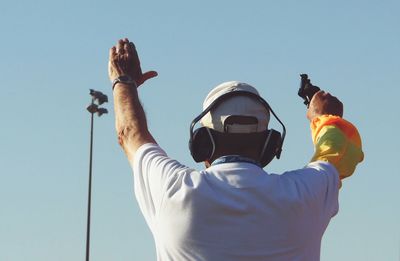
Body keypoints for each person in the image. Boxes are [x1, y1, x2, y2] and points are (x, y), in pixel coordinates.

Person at [109, 38, 364, 261]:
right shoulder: (304, 194)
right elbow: (335, 154)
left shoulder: (172, 190)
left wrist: (123, 81)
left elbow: (130, 133)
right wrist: (324, 117)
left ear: (203, 143)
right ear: (269, 145)